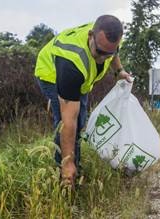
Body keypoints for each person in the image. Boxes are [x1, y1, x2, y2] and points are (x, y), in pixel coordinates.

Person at [35, 15, 132, 186]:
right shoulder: (71, 63)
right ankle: (65, 175)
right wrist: (68, 162)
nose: (103, 58)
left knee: (80, 122)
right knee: (67, 122)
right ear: (90, 36)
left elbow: (113, 53)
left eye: (108, 53)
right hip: (52, 75)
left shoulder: (111, 39)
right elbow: (68, 121)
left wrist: (119, 71)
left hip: (81, 81)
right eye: (100, 52)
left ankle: (74, 167)